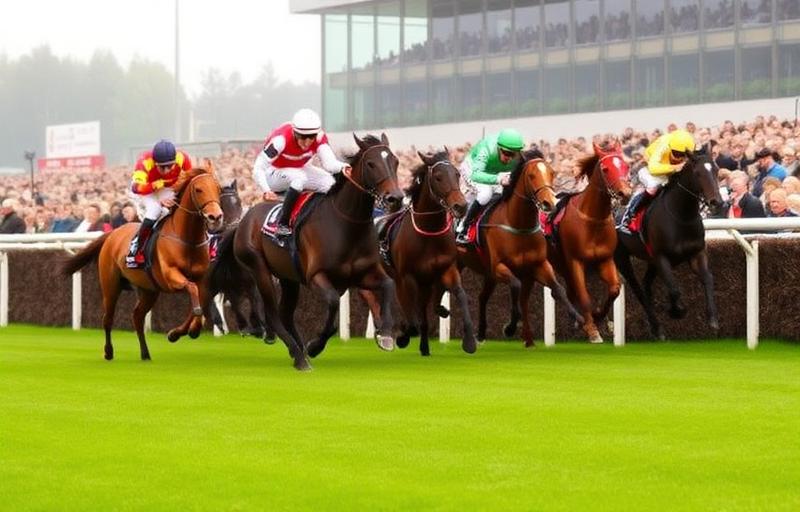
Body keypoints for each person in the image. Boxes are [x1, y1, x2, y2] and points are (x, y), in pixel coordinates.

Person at [252, 108, 350, 237]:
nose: (307, 142)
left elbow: (330, 164)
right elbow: (258, 168)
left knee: (330, 183)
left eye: (311, 137)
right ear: (294, 132)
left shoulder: (319, 137)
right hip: (272, 173)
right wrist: (266, 190)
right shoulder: (280, 140)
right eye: (303, 137)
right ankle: (283, 223)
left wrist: (346, 167)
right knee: (299, 179)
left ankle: (326, 218)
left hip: (298, 170)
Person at [126, 139, 192, 268]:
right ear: (155, 162)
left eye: (170, 166)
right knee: (155, 210)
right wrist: (158, 196)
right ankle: (137, 248)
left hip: (166, 186)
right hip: (146, 188)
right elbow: (136, 187)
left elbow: (190, 179)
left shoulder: (183, 158)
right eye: (162, 167)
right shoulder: (145, 162)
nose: (167, 170)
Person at [455, 129, 525, 244]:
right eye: (507, 153)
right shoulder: (486, 149)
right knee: (485, 194)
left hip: (493, 172)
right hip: (472, 170)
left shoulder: (518, 156)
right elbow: (476, 175)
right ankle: (463, 228)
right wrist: (498, 179)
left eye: (513, 154)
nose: (510, 158)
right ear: (498, 148)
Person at [619, 129, 696, 232]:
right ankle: (630, 213)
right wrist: (675, 167)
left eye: (683, 155)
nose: (679, 158)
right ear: (671, 147)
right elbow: (653, 168)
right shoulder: (664, 144)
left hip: (666, 169)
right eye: (676, 154)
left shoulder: (688, 147)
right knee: (653, 186)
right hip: (647, 167)